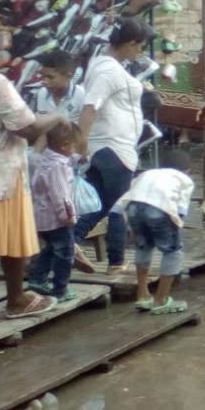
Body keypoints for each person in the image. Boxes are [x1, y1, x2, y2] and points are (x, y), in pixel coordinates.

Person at [0, 24, 65, 325]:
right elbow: (26, 128)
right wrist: (56, 117)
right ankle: (16, 300)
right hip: (0, 176)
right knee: (12, 241)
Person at [75, 17, 147, 274]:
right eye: (139, 46)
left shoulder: (108, 66)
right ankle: (116, 262)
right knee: (119, 205)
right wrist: (81, 143)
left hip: (111, 148)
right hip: (112, 149)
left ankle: (68, 243)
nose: (140, 52)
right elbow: (90, 107)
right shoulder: (107, 70)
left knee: (99, 204)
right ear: (129, 44)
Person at [115, 149, 194, 314]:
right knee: (173, 252)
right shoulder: (184, 179)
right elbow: (181, 209)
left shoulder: (147, 173)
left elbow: (130, 195)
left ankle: (143, 295)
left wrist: (130, 228)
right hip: (160, 208)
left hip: (133, 207)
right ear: (187, 170)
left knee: (143, 247)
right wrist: (175, 232)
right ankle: (161, 300)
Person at [27, 123, 79, 301]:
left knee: (50, 249)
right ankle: (60, 290)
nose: (74, 150)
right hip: (56, 219)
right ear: (64, 145)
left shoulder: (45, 160)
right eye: (73, 145)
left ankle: (37, 279)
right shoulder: (58, 166)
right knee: (65, 254)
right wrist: (68, 216)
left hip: (42, 217)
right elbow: (60, 194)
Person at [30, 51, 85, 124]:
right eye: (43, 76)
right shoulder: (42, 93)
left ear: (69, 76)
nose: (44, 82)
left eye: (50, 77)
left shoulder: (82, 96)